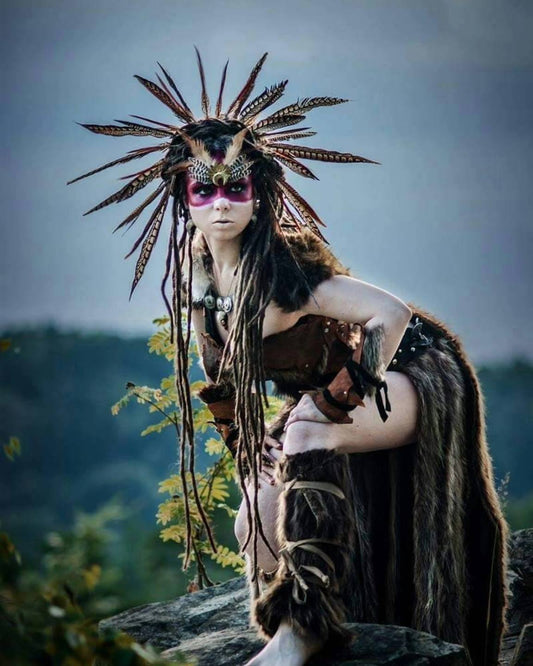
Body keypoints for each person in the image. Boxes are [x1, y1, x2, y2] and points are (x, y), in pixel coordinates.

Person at [71, 52, 508, 666]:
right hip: (326, 387)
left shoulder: (285, 271)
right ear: (183, 196)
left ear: (257, 193)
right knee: (257, 506)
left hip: (411, 369)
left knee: (306, 427)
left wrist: (334, 401)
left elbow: (391, 317)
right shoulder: (196, 284)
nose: (220, 202)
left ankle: (307, 624)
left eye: (234, 187)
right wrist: (249, 450)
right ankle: (278, 619)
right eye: (204, 189)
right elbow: (221, 376)